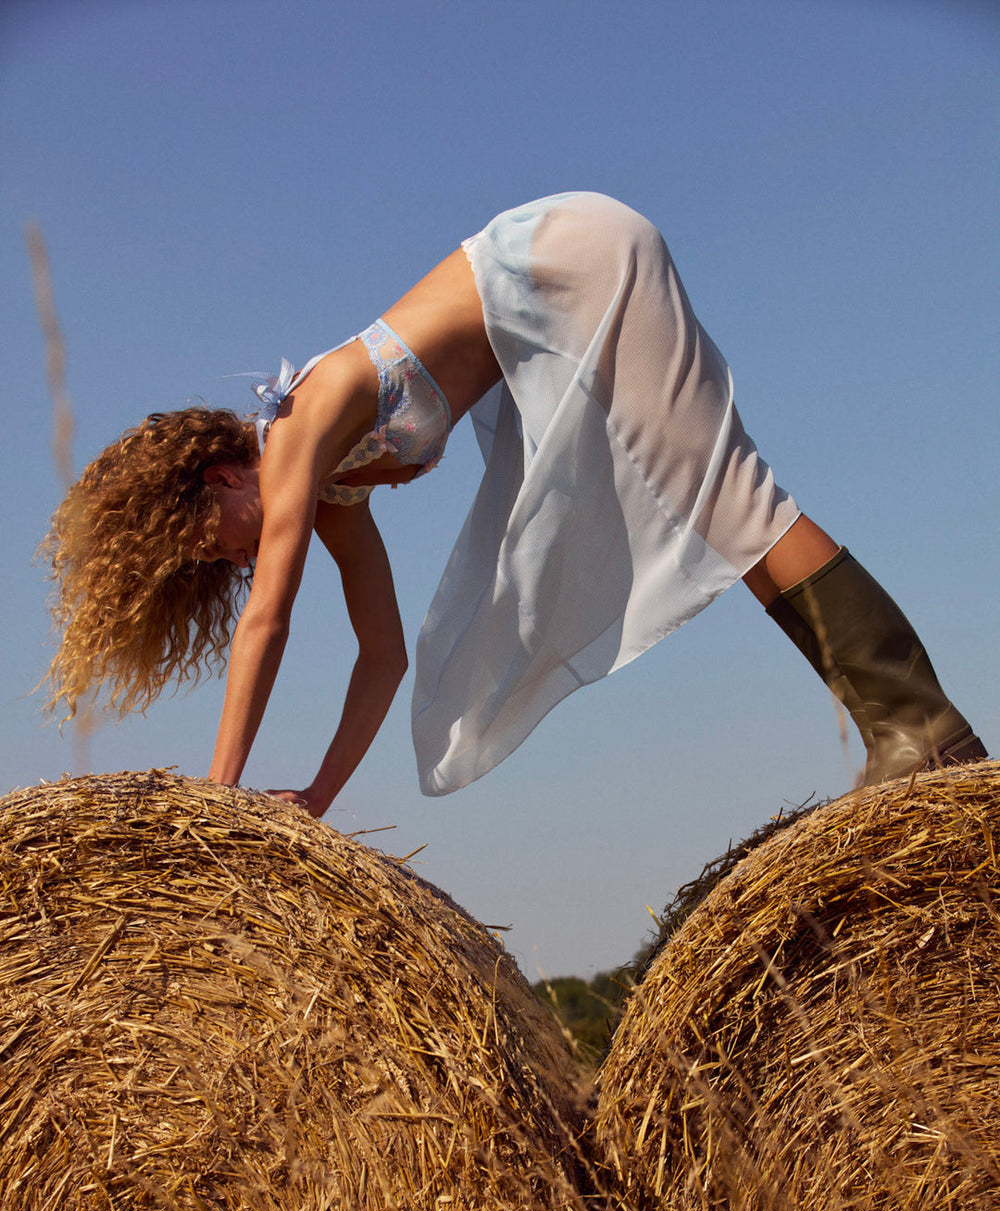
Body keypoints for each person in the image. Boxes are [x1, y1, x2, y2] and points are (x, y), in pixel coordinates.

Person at [43, 192, 987, 815]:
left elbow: (268, 621)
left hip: (563, 261)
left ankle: (920, 728)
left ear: (218, 479)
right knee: (720, 508)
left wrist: (216, 800)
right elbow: (382, 654)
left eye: (216, 544)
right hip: (549, 297)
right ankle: (904, 730)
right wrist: (312, 801)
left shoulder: (298, 426)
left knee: (730, 499)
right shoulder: (333, 489)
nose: (237, 560)